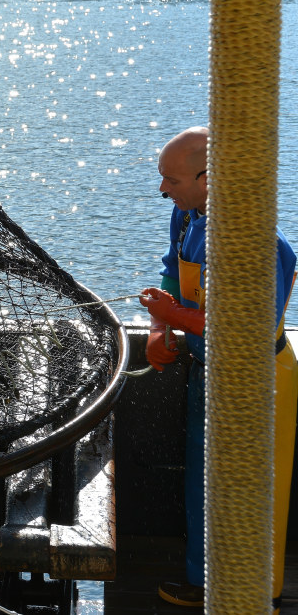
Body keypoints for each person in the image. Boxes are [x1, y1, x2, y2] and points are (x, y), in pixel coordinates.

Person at [139, 127, 297, 609]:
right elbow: (172, 270)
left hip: (256, 380)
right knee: (203, 483)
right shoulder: (187, 215)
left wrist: (175, 317)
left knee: (249, 490)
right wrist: (157, 331)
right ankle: (202, 579)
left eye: (171, 179)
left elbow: (245, 325)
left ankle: (251, 592)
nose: (163, 189)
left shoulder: (257, 242)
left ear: (211, 177)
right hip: (206, 367)